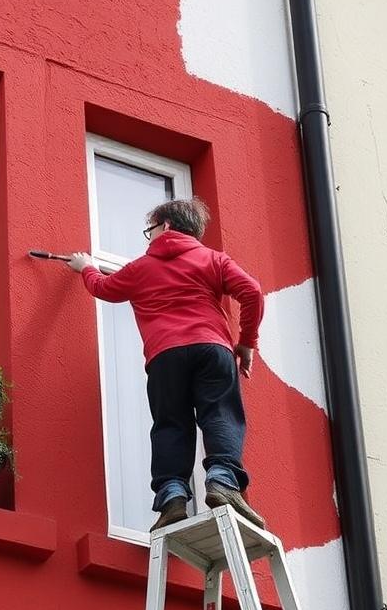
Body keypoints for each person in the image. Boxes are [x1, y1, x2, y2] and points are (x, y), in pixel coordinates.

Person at [66, 197, 265, 530]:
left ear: (167, 225)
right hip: (211, 349)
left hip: (164, 357)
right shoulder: (213, 259)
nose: (150, 237)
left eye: (151, 229)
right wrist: (247, 343)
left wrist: (84, 266)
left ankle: (173, 496)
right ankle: (223, 481)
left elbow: (102, 288)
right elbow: (252, 292)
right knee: (220, 412)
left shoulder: (141, 269)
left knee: (170, 424)